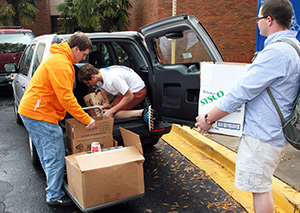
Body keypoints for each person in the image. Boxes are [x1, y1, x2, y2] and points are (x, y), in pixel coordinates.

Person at [195, 0, 300, 212]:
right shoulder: (294, 48)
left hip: (263, 136)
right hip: (275, 133)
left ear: (269, 20)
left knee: (260, 189)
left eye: (258, 19)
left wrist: (208, 118)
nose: (257, 23)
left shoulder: (275, 53)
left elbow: (240, 92)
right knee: (262, 186)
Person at [18, 32, 96, 206]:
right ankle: (54, 196)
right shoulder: (61, 63)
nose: (83, 58)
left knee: (48, 153)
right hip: (40, 114)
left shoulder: (60, 59)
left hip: (33, 111)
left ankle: (54, 187)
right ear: (76, 48)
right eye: (83, 54)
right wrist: (86, 119)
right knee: (55, 155)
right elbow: (66, 98)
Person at [78, 63, 154, 131]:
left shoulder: (113, 78)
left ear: (93, 77)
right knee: (111, 109)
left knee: (115, 114)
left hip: (137, 91)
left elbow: (129, 96)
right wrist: (104, 106)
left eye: (88, 82)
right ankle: (138, 105)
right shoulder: (100, 77)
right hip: (125, 92)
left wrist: (111, 111)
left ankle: (143, 112)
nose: (88, 85)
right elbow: (111, 93)